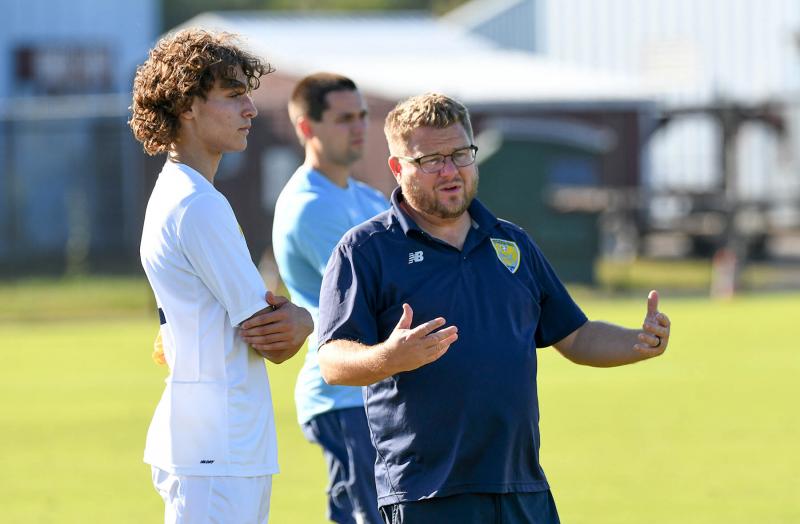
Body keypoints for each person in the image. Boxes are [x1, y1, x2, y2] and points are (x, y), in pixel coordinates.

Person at [315, 93, 672, 524]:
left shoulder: (512, 243)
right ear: (397, 167)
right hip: (427, 495)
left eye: (460, 154)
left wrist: (638, 342)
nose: (450, 171)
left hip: (523, 489)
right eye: (431, 160)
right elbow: (333, 360)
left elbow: (575, 335)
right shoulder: (366, 249)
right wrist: (390, 357)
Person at [130, 28, 313, 524]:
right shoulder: (197, 203)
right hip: (217, 447)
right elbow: (270, 333)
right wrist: (304, 320)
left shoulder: (180, 191)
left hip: (212, 445)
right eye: (233, 96)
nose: (250, 109)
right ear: (187, 104)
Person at [268, 72, 388, 524]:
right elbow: (378, 296)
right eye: (343, 118)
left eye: (361, 116)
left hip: (377, 387)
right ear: (307, 127)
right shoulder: (309, 205)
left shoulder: (367, 196)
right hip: (344, 396)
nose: (358, 127)